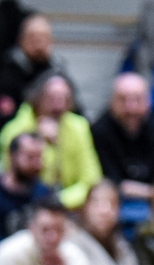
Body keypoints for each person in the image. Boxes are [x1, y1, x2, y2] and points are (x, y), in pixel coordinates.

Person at [0, 74, 101, 209]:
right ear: (37, 99)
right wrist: (43, 142)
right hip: (24, 203)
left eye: (64, 99)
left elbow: (90, 179)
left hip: (68, 204)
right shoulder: (14, 131)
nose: (59, 105)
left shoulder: (79, 127)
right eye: (52, 99)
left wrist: (59, 201)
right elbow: (13, 179)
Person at [91, 73, 154, 224]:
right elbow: (109, 180)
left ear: (148, 102)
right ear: (112, 102)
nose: (131, 108)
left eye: (137, 100)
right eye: (123, 100)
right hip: (115, 203)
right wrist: (152, 191)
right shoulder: (99, 131)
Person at [68, 179, 148, 265]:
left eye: (112, 203)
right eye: (97, 203)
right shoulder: (72, 245)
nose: (104, 210)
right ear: (84, 208)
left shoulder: (122, 244)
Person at [0, 196, 90, 265]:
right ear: (31, 229)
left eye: (58, 229)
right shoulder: (8, 256)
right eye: (45, 229)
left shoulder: (74, 257)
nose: (53, 237)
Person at [0, 15, 67, 127]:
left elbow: (74, 111)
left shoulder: (58, 73)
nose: (39, 44)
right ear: (21, 40)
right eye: (33, 38)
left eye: (43, 38)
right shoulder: (7, 74)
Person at [0, 133, 52, 238]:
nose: (37, 164)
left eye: (39, 157)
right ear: (12, 156)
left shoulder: (44, 193)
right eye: (30, 157)